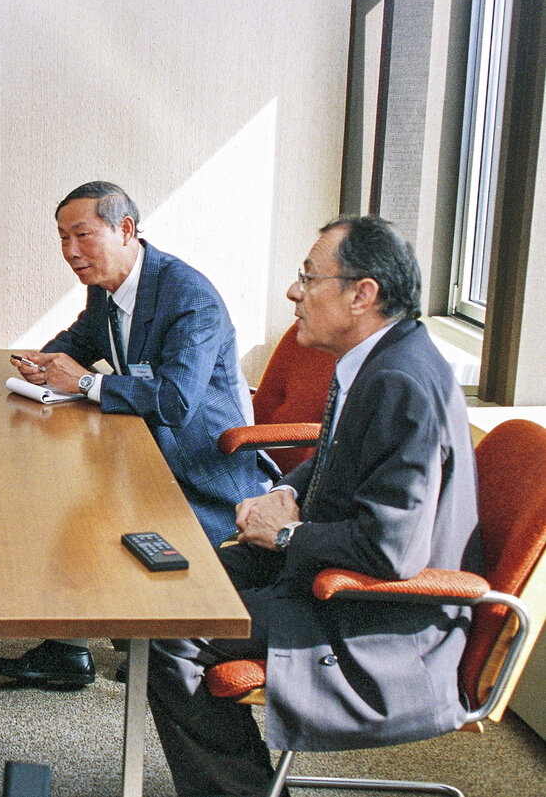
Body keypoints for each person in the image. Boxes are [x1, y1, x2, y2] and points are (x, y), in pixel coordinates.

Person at [147, 215, 482, 795]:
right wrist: (285, 493)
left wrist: (284, 536)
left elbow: (393, 550)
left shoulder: (401, 382)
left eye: (308, 276)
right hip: (324, 570)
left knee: (177, 630)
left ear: (362, 294)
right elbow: (339, 459)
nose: (294, 292)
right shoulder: (376, 359)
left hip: (376, 617)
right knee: (179, 581)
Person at [0, 180, 269, 687]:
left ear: (126, 230)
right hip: (137, 448)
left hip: (196, 469)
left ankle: (93, 639)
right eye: (61, 238)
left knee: (71, 496)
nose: (70, 252)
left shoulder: (189, 296)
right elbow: (80, 339)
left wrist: (85, 381)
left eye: (82, 235)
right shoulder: (108, 287)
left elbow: (175, 401)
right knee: (52, 485)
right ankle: (69, 645)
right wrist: (42, 361)